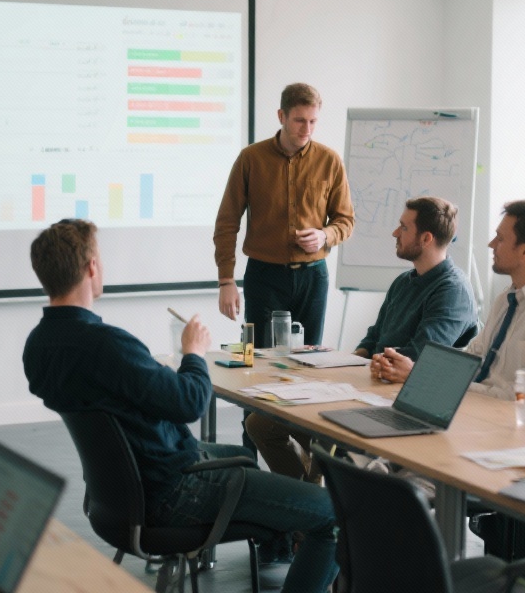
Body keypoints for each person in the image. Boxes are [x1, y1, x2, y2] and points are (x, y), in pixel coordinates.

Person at [22, 219, 337, 593]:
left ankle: (277, 541)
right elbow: (190, 402)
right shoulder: (107, 345)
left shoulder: (38, 347)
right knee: (334, 515)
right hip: (173, 491)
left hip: (118, 496)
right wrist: (193, 353)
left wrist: (151, 373)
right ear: (92, 267)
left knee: (241, 455)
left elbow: (117, 401)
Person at [246, 196, 478, 480]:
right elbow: (374, 337)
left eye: (403, 228)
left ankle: (318, 507)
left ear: (426, 238)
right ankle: (308, 500)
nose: (395, 233)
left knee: (328, 439)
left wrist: (371, 362)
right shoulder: (405, 281)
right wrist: (340, 361)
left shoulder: (451, 291)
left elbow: (418, 358)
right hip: (369, 386)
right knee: (260, 423)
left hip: (394, 400)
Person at [374, 199, 525, 416]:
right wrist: (420, 374)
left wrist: (421, 376)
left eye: (500, 239)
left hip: (510, 432)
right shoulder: (508, 298)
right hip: (476, 416)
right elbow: (473, 360)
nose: (491, 244)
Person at [213, 82, 354, 347]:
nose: (307, 130)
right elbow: (227, 222)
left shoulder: (330, 161)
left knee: (309, 362)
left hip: (313, 278)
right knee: (260, 361)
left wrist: (325, 235)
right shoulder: (251, 159)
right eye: (300, 121)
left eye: (313, 121)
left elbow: (346, 220)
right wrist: (226, 280)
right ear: (282, 116)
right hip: (264, 276)